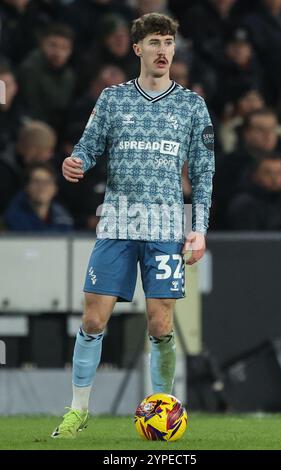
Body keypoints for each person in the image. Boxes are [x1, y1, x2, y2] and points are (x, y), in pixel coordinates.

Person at [52, 12, 214, 439]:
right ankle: (77, 411)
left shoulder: (192, 105)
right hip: (118, 224)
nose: (163, 51)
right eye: (154, 42)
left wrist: (199, 228)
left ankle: (163, 410)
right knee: (93, 319)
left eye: (168, 42)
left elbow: (204, 172)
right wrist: (77, 161)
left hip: (164, 228)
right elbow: (88, 146)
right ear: (136, 48)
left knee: (160, 325)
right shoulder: (112, 99)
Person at [228, 155, 281, 230]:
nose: (275, 179)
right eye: (268, 173)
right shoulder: (244, 204)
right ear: (254, 175)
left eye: (280, 173)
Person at [3, 163, 73, 232]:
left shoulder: (63, 218)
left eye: (47, 182)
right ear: (27, 187)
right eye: (36, 182)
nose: (41, 187)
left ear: (55, 189)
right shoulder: (12, 218)